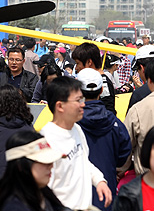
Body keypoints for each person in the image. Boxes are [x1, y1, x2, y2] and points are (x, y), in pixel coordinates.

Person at [40, 76, 112, 210]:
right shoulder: (47, 139)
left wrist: (99, 180)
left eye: (82, 99)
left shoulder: (76, 129)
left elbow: (84, 162)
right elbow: (44, 189)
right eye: (78, 100)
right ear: (60, 106)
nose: (83, 104)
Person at [76, 68, 132, 211]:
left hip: (77, 193)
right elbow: (125, 150)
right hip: (107, 188)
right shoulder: (115, 123)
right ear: (101, 90)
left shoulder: (71, 123)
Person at [0, 130, 67, 211]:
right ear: (20, 165)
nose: (51, 166)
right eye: (45, 161)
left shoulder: (43, 194)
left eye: (52, 161)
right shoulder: (15, 207)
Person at [72, 42, 116, 115]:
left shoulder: (104, 83)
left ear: (89, 62)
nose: (76, 68)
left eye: (77, 63)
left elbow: (109, 112)